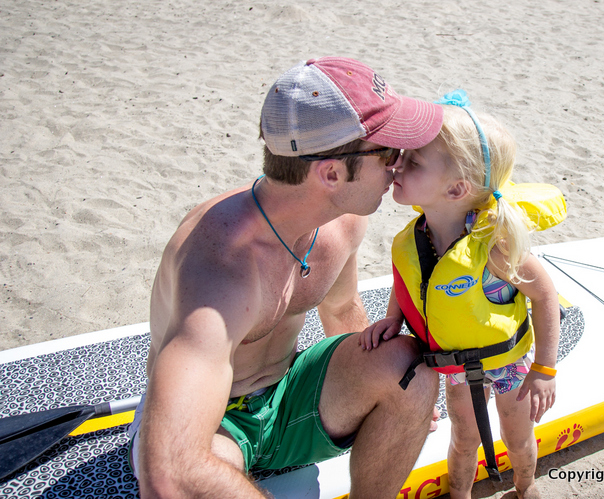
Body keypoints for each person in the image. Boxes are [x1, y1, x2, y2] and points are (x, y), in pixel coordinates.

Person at [127, 57, 443, 499]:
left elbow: (341, 308)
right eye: (389, 153)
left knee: (411, 372)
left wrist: (387, 395)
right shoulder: (221, 270)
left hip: (288, 392)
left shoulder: (343, 221)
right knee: (190, 476)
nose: (399, 166)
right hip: (218, 424)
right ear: (331, 172)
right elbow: (170, 470)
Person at [358, 90, 566, 499]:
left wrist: (545, 369)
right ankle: (461, 495)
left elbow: (545, 296)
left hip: (509, 367)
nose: (397, 163)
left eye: (413, 161)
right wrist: (393, 319)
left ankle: (526, 488)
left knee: (517, 436)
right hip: (455, 368)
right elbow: (415, 284)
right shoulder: (413, 239)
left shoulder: (495, 247)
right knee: (463, 440)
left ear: (456, 190)